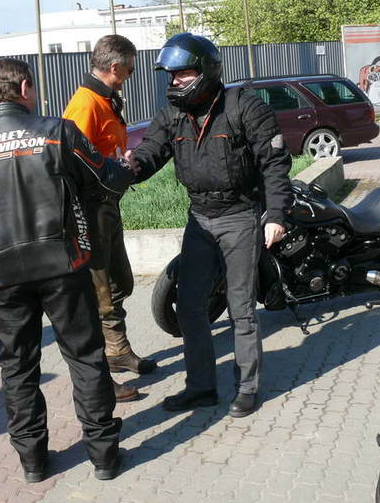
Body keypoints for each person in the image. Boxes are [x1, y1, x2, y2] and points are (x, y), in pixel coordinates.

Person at [0, 58, 130, 483]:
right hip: (63, 265)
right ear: (24, 88)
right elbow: (103, 179)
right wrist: (122, 168)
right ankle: (104, 456)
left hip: (2, 274)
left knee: (18, 366)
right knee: (85, 357)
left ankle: (33, 463)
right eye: (34, 87)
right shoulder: (57, 132)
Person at [125, 33, 292, 418]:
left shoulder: (244, 107)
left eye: (182, 74)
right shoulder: (172, 114)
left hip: (240, 216)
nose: (174, 82)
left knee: (241, 308)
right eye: (171, 75)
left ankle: (247, 387)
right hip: (199, 218)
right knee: (188, 306)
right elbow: (150, 152)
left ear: (205, 71)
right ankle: (200, 387)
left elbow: (274, 164)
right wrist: (130, 167)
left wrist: (276, 215)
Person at [62, 35, 156, 404]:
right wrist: (112, 170)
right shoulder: (85, 104)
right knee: (99, 293)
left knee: (119, 283)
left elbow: (99, 152)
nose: (130, 75)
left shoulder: (105, 98)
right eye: (129, 69)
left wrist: (119, 164)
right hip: (90, 210)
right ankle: (100, 376)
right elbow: (71, 162)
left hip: (106, 206)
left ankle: (118, 350)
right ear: (115, 67)